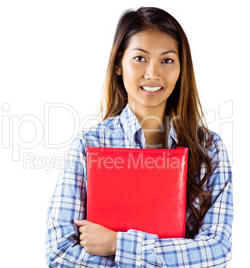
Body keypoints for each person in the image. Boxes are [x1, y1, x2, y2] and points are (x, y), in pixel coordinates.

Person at [45, 6, 233, 267]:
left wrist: (117, 244)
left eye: (167, 60)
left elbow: (217, 252)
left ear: (181, 69)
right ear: (119, 64)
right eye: (140, 58)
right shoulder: (90, 145)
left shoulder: (208, 149)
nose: (153, 73)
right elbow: (61, 253)